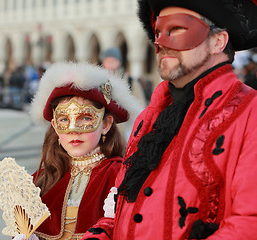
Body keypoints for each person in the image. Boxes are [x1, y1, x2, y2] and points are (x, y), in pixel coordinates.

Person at [82, 0, 257, 239]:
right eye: (158, 32)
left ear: (218, 41)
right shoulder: (148, 119)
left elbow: (249, 224)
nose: (161, 42)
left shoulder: (250, 113)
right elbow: (118, 212)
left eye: (176, 29)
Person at [13, 62, 143, 240]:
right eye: (64, 120)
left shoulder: (120, 176)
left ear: (105, 124)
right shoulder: (41, 180)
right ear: (55, 126)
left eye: (86, 118)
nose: (74, 130)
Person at [101, 47, 146, 144]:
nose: (110, 63)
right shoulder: (99, 80)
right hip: (103, 126)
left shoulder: (130, 81)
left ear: (119, 62)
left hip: (124, 127)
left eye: (113, 61)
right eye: (107, 61)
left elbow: (140, 104)